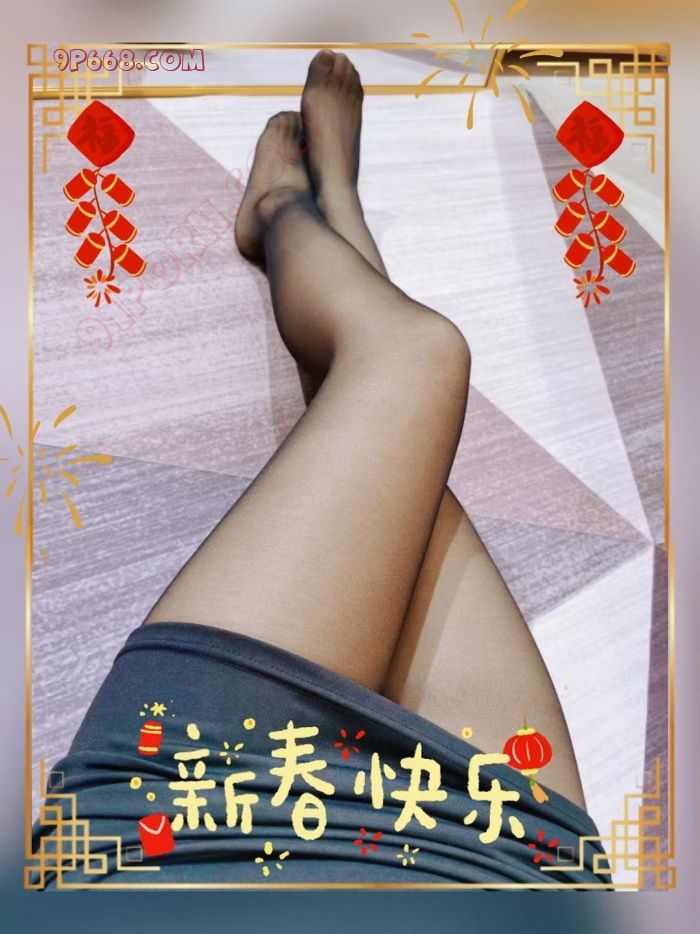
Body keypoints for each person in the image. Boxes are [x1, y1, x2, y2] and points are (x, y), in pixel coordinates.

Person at [31, 51, 609, 887]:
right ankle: (337, 220)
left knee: (416, 360)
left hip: (201, 839)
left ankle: (282, 209)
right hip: (507, 875)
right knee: (402, 471)